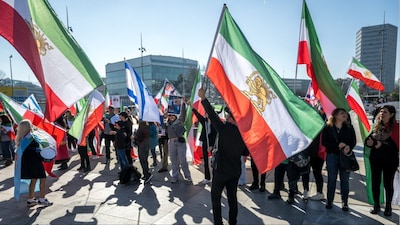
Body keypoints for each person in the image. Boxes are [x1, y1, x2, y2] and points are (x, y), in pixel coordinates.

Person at [199, 87, 249, 225]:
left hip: (220, 171)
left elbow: (212, 115)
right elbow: (245, 153)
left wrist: (203, 98)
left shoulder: (224, 129)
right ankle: (233, 222)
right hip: (234, 171)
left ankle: (218, 223)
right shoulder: (244, 135)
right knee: (232, 198)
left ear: (232, 119)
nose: (226, 117)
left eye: (227, 115)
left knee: (216, 198)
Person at [366, 105, 399, 216]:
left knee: (388, 184)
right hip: (375, 159)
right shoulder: (376, 126)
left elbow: (396, 146)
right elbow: (370, 139)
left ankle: (388, 206)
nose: (382, 114)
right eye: (381, 112)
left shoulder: (396, 127)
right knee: (375, 183)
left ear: (391, 114)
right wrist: (369, 142)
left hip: (390, 160)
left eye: (385, 112)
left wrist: (381, 145)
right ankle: (376, 205)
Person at [321, 108, 356, 212]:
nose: (344, 115)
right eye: (341, 113)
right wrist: (337, 145)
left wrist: (348, 147)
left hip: (345, 157)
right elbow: (324, 142)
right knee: (331, 179)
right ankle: (329, 200)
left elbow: (353, 141)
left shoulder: (349, 127)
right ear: (335, 115)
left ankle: (345, 202)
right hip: (332, 156)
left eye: (345, 113)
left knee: (345, 180)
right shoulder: (328, 127)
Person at [14, 119, 52, 206]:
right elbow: (31, 150)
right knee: (42, 178)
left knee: (33, 180)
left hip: (28, 162)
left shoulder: (22, 138)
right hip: (34, 161)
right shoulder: (30, 137)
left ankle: (30, 199)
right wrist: (39, 150)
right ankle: (42, 199)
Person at [190, 103, 218, 185]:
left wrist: (212, 145)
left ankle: (215, 178)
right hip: (205, 142)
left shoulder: (215, 122)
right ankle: (207, 177)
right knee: (206, 161)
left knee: (214, 162)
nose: (206, 114)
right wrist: (192, 107)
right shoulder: (204, 121)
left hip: (213, 144)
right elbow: (198, 115)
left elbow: (215, 134)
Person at [166, 111, 192, 184]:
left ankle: (188, 176)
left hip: (180, 142)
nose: (171, 117)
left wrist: (183, 104)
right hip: (171, 142)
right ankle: (175, 176)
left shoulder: (179, 122)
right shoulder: (167, 124)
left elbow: (183, 115)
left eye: (172, 115)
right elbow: (162, 129)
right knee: (173, 161)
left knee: (182, 160)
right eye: (169, 115)